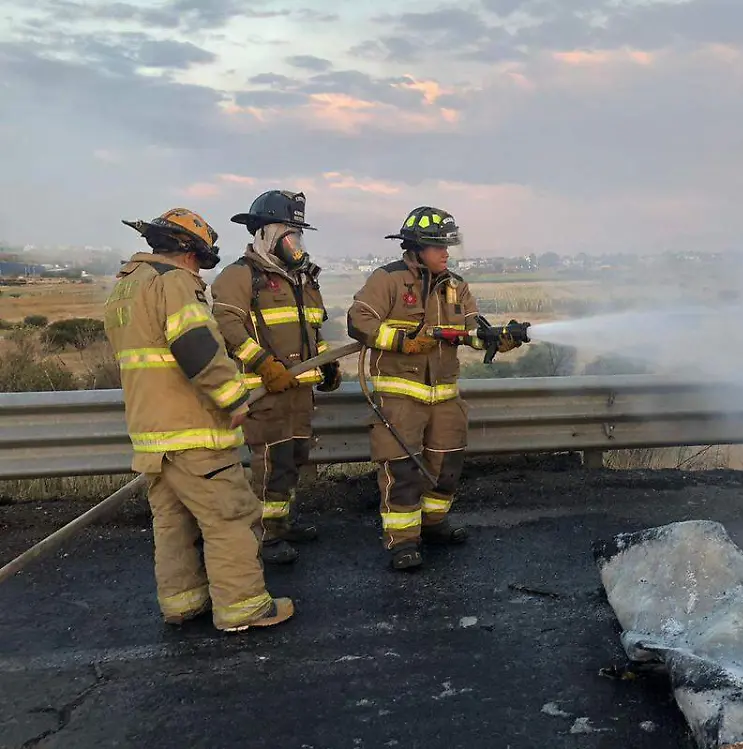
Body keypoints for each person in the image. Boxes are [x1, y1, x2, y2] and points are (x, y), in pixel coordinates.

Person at [104, 207, 293, 632]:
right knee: (230, 516)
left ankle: (183, 603)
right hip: (193, 431)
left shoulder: (126, 288)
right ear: (190, 253)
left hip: (152, 434)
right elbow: (197, 349)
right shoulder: (172, 284)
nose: (200, 271)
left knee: (173, 523)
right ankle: (243, 607)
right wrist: (233, 399)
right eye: (200, 260)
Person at [347, 206, 523, 570]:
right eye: (439, 247)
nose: (447, 254)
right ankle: (403, 541)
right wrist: (402, 342)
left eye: (449, 247)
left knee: (446, 465)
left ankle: (433, 524)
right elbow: (358, 320)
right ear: (416, 248)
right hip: (400, 398)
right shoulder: (388, 280)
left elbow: (472, 331)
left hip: (444, 397)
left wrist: (498, 338)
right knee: (403, 471)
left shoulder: (457, 286)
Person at [211, 189, 340, 565]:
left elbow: (312, 327)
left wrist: (326, 362)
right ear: (265, 233)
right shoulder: (239, 276)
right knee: (270, 463)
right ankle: (263, 536)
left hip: (299, 391)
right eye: (290, 233)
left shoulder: (301, 279)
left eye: (299, 234)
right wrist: (263, 364)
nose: (296, 242)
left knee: (294, 458)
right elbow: (226, 324)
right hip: (264, 393)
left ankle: (280, 524)